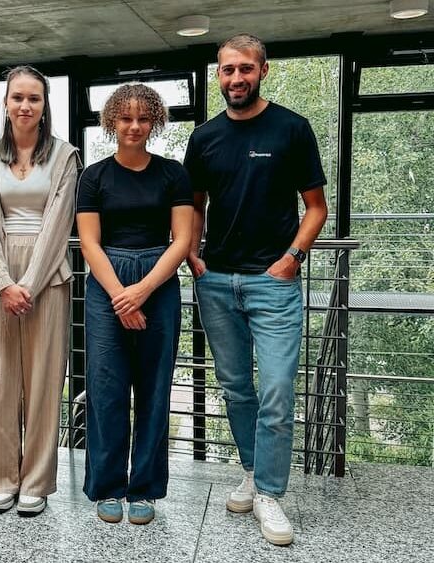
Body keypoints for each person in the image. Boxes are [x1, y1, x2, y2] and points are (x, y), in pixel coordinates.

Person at [184, 34, 328, 546]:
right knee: (236, 388)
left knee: (276, 391)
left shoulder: (292, 128)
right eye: (227, 70)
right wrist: (193, 254)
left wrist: (291, 261)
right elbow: (194, 205)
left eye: (245, 69)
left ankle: (269, 492)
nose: (236, 78)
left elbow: (316, 207)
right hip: (217, 282)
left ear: (263, 70)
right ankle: (251, 471)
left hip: (273, 284)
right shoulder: (204, 138)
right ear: (217, 75)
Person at [76, 83, 193, 525]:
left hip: (158, 281)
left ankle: (143, 488)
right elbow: (89, 242)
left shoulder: (172, 174)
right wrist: (120, 297)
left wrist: (141, 290)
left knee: (154, 388)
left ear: (156, 122)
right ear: (111, 121)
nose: (134, 126)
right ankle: (107, 486)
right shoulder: (95, 176)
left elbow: (182, 239)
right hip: (107, 283)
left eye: (144, 118)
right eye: (125, 117)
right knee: (106, 391)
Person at [0, 66, 79, 516]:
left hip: (48, 273)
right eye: (17, 97)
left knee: (43, 380)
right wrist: (3, 282)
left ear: (44, 104)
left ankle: (35, 481)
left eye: (34, 98)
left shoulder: (66, 155)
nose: (25, 105)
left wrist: (29, 284)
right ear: (5, 102)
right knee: (0, 379)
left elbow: (59, 223)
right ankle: (0, 478)